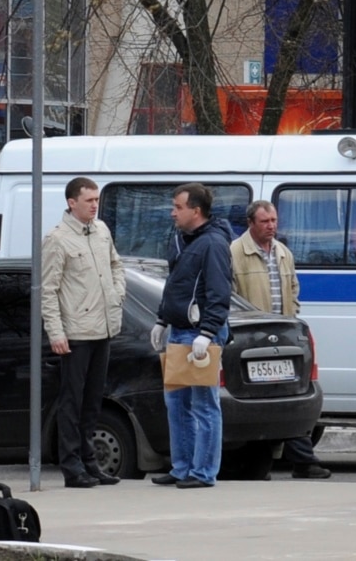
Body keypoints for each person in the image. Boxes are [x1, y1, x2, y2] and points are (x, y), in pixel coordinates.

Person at [229, 200, 331, 480]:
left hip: (282, 333)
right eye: (265, 222)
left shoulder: (282, 252)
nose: (271, 226)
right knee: (267, 398)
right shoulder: (236, 253)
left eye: (274, 220)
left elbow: (293, 288)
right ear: (251, 223)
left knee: (290, 395)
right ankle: (291, 461)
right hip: (251, 335)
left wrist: (291, 315)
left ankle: (297, 461)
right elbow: (230, 295)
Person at [41, 176, 126, 488]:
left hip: (102, 328)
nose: (94, 205)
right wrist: (56, 332)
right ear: (71, 202)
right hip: (75, 332)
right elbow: (48, 290)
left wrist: (117, 294)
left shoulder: (101, 230)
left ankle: (91, 463)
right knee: (72, 401)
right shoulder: (58, 239)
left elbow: (117, 266)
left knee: (93, 400)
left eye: (96, 199)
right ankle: (72, 464)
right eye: (89, 200)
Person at [149, 183, 233, 489]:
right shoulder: (180, 238)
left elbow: (219, 291)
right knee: (176, 403)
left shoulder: (213, 243)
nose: (173, 212)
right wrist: (161, 319)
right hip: (179, 329)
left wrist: (208, 333)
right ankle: (182, 467)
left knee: (203, 404)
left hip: (200, 333)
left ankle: (203, 472)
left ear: (195, 211)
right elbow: (175, 284)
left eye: (178, 207)